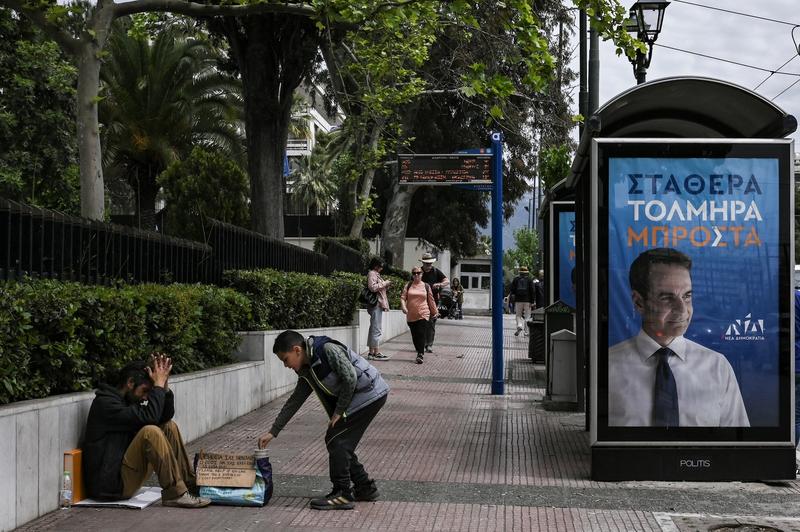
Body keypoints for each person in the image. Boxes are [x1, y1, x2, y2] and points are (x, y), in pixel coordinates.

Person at [608, 248, 749, 427]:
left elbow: (737, 445)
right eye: (667, 298)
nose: (683, 310)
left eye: (687, 296)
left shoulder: (718, 367)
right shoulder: (608, 368)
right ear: (638, 302)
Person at [257, 330, 389, 510]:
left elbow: (350, 377)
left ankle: (342, 493)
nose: (286, 366)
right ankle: (365, 488)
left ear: (297, 350)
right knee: (340, 442)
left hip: (370, 393)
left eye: (285, 360)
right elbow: (295, 400)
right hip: (360, 397)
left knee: (337, 440)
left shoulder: (326, 350)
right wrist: (274, 431)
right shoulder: (306, 369)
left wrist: (339, 411)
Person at [82, 355, 211, 508]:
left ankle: (189, 485)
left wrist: (163, 387)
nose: (145, 397)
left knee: (169, 426)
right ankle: (174, 494)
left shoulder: (127, 400)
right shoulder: (106, 404)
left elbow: (163, 417)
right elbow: (150, 418)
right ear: (130, 383)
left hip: (123, 474)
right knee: (150, 432)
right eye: (144, 391)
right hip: (110, 486)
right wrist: (157, 387)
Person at [401, 266, 439, 364]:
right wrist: (404, 307)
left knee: (421, 333)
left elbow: (431, 300)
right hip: (411, 315)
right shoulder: (408, 285)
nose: (416, 275)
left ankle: (420, 354)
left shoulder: (426, 286)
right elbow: (403, 298)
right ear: (412, 275)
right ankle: (419, 350)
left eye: (418, 273)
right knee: (415, 336)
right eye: (414, 273)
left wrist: (435, 312)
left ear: (422, 275)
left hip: (423, 313)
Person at [419, 252, 449, 352]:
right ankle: (421, 344)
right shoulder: (418, 272)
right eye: (427, 264)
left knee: (431, 323)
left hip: (434, 302)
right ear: (423, 263)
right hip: (421, 301)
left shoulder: (436, 271)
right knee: (422, 323)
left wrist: (440, 284)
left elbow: (447, 281)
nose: (429, 265)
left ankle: (429, 345)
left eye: (430, 263)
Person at [366, 257, 392, 361]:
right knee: (376, 328)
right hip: (376, 304)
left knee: (374, 328)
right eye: (381, 265)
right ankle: (375, 352)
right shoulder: (372, 273)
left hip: (378, 304)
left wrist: (386, 285)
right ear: (376, 265)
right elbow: (372, 287)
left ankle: (372, 352)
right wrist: (385, 283)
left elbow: (377, 287)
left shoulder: (376, 274)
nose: (382, 267)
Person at [510, 266, 535, 337]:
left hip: (518, 300)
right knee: (527, 316)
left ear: (520, 272)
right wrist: (532, 301)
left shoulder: (516, 279)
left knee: (518, 315)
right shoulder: (529, 280)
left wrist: (513, 300)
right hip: (527, 301)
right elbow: (532, 291)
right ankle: (526, 332)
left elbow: (512, 290)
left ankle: (519, 325)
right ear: (526, 273)